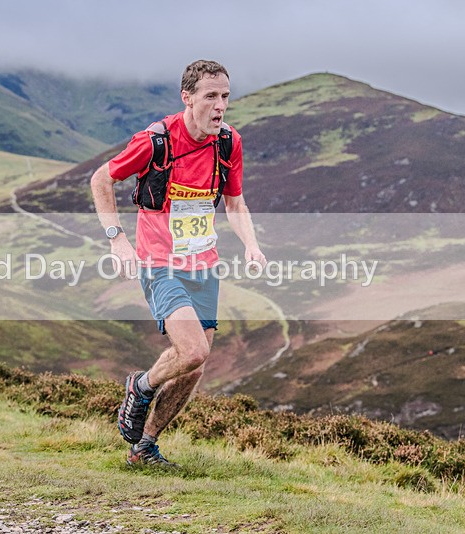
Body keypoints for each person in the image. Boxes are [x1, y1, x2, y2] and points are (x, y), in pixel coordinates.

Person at [90, 60, 266, 466]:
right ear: (187, 98)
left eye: (225, 96)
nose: (220, 106)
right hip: (159, 262)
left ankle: (145, 446)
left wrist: (251, 246)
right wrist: (117, 240)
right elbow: (102, 178)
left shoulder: (228, 143)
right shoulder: (156, 140)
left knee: (193, 368)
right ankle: (141, 384)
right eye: (210, 96)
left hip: (204, 264)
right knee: (191, 352)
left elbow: (235, 202)